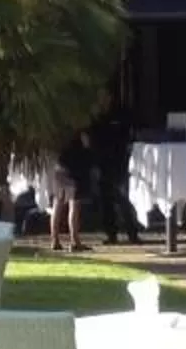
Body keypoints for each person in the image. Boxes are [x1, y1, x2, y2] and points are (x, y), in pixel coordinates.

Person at [91, 97, 135, 244]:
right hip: (103, 164)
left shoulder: (120, 115)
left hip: (119, 163)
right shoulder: (95, 120)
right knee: (106, 202)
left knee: (124, 200)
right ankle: (111, 235)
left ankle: (132, 233)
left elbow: (127, 136)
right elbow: (92, 143)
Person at [53, 128, 97, 254]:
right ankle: (74, 241)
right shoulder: (79, 133)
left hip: (60, 167)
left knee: (57, 204)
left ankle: (55, 240)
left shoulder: (59, 132)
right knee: (74, 205)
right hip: (74, 169)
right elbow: (86, 151)